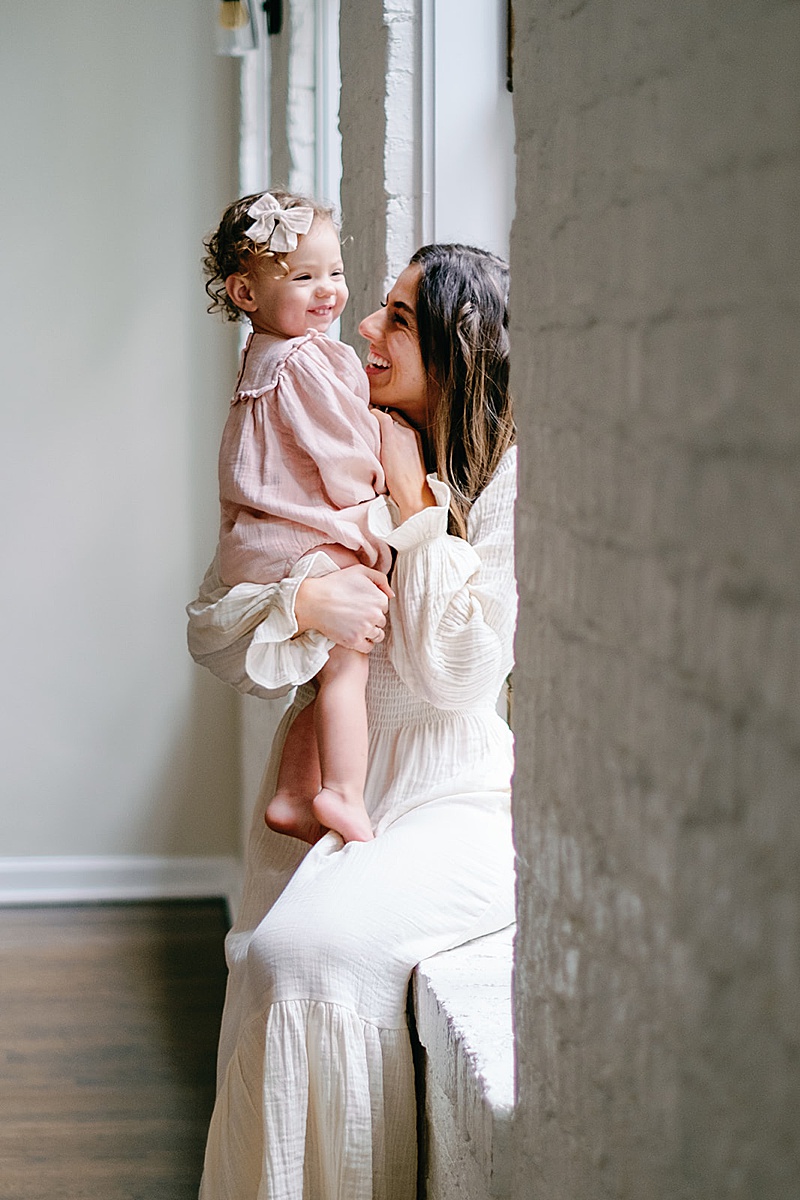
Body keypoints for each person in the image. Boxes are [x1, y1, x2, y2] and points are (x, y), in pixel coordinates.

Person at [187, 242, 517, 1200]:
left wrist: (414, 497)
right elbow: (213, 627)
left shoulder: (505, 481)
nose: (365, 328)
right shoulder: (328, 430)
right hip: (338, 781)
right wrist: (304, 607)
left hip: (453, 794)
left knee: (303, 957)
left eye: (400, 319)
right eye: (376, 308)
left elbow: (457, 676)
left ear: (459, 348)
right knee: (262, 966)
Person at [205, 189, 392, 845]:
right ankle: (340, 791)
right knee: (348, 661)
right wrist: (377, 494)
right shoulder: (309, 359)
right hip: (297, 540)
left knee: (319, 668)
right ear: (246, 293)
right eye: (304, 276)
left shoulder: (258, 357)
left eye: (334, 272)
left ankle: (290, 792)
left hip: (254, 542)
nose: (328, 292)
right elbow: (339, 454)